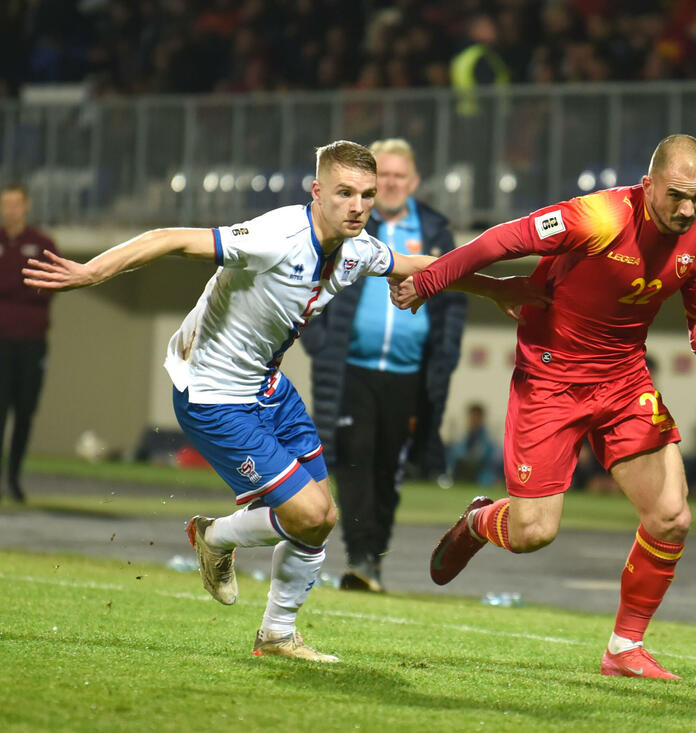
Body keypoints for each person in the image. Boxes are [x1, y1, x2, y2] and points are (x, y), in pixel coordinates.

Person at [22, 140, 540, 662]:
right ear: (317, 192)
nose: (358, 206)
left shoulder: (357, 249)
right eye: (344, 193)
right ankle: (214, 537)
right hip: (213, 396)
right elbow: (170, 238)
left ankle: (276, 636)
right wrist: (92, 273)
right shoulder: (277, 237)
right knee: (308, 514)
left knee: (322, 517)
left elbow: (419, 264)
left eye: (366, 194)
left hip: (268, 387)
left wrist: (496, 288)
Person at [391, 134, 696, 680]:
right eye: (676, 195)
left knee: (672, 517)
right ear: (648, 185)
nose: (687, 209)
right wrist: (432, 280)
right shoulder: (599, 217)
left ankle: (624, 649)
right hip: (551, 379)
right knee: (532, 532)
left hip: (624, 380)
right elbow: (500, 241)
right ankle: (478, 522)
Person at [300, 138, 467, 592]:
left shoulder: (433, 230)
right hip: (351, 368)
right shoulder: (348, 222)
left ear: (413, 182)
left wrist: (445, 357)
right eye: (383, 176)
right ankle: (359, 559)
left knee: (389, 470)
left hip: (410, 374)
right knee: (353, 461)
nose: (390, 184)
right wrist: (319, 341)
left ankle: (372, 560)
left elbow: (453, 300)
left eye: (398, 176)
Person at [0, 183, 59, 503]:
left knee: (24, 410)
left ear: (26, 206)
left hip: (32, 342)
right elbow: (25, 285)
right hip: (2, 342)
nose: (10, 210)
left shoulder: (42, 244)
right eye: (5, 204)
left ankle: (13, 479)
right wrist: (21, 286)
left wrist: (12, 289)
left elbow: (49, 285)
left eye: (16, 204)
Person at [445, 402, 497, 487]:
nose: (474, 420)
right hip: (458, 476)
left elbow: (485, 460)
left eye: (477, 417)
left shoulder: (487, 440)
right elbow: (454, 457)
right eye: (472, 417)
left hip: (480, 477)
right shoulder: (462, 437)